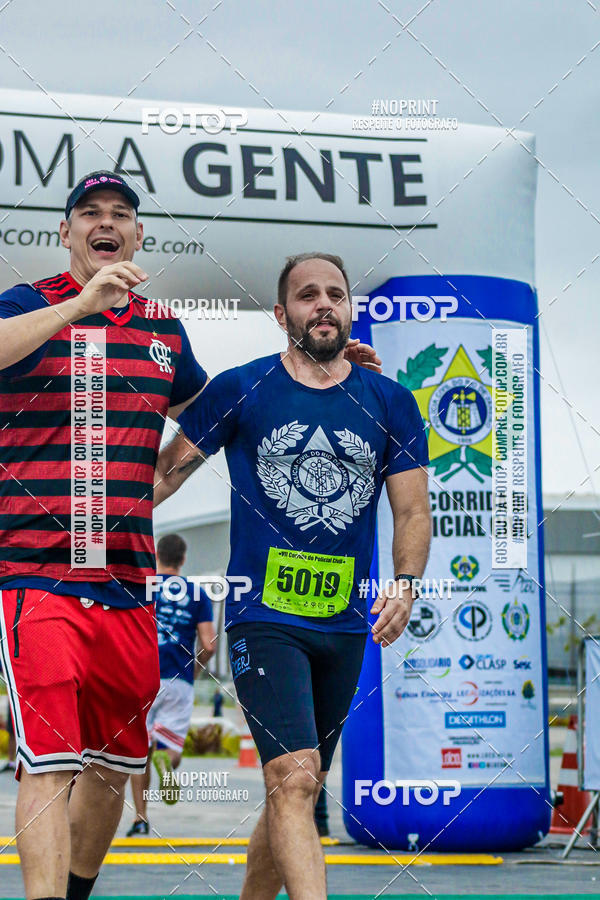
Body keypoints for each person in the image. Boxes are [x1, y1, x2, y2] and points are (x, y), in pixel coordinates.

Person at [155, 252, 432, 900]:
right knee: (297, 779)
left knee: (293, 788)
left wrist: (406, 580)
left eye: (336, 292)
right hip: (264, 620)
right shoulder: (242, 388)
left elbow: (413, 508)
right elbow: (163, 475)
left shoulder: (390, 400)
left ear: (350, 309)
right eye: (308, 295)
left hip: (343, 628)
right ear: (282, 315)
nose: (324, 303)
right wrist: (77, 531)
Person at [0, 171, 209, 900]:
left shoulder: (163, 328)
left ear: (138, 234)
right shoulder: (27, 306)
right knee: (47, 762)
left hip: (128, 580)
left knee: (114, 766)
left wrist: (325, 369)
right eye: (89, 212)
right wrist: (80, 308)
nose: (105, 221)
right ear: (66, 233)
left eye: (120, 213)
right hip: (35, 572)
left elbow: (214, 415)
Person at [127, 533, 216, 835]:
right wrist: (197, 667)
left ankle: (140, 818)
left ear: (156, 555)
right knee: (168, 747)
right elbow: (210, 644)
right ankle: (168, 758)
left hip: (141, 678)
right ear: (183, 558)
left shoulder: (142, 587)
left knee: (139, 752)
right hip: (179, 679)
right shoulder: (198, 593)